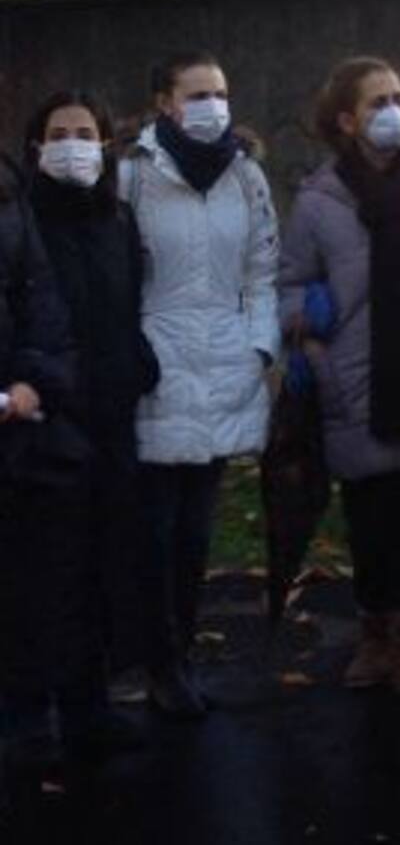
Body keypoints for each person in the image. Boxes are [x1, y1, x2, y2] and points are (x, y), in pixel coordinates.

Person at [279, 57, 400, 698]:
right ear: (347, 119)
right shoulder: (319, 201)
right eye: (377, 101)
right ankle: (375, 633)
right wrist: (307, 322)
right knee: (371, 518)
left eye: (399, 97)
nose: (393, 111)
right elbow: (289, 283)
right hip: (354, 382)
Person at [121, 51, 280, 717]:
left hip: (222, 368)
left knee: (194, 533)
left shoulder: (246, 175)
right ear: (165, 102)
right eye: (197, 93)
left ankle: (179, 652)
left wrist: (260, 345)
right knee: (152, 532)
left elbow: (262, 271)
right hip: (152, 371)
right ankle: (154, 661)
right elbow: (114, 272)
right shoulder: (131, 175)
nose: (213, 104)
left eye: (220, 90)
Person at [8, 91, 160, 760]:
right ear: (36, 147)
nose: (75, 145)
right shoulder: (21, 216)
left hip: (113, 414)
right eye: (59, 133)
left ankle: (88, 701)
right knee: (44, 573)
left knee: (106, 562)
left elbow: (127, 303)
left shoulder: (117, 218)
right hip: (47, 416)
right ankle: (28, 711)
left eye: (86, 132)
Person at [0, 150, 80, 774]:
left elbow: (40, 299)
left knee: (27, 578)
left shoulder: (9, 193)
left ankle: (28, 708)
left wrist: (32, 382)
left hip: (17, 423)